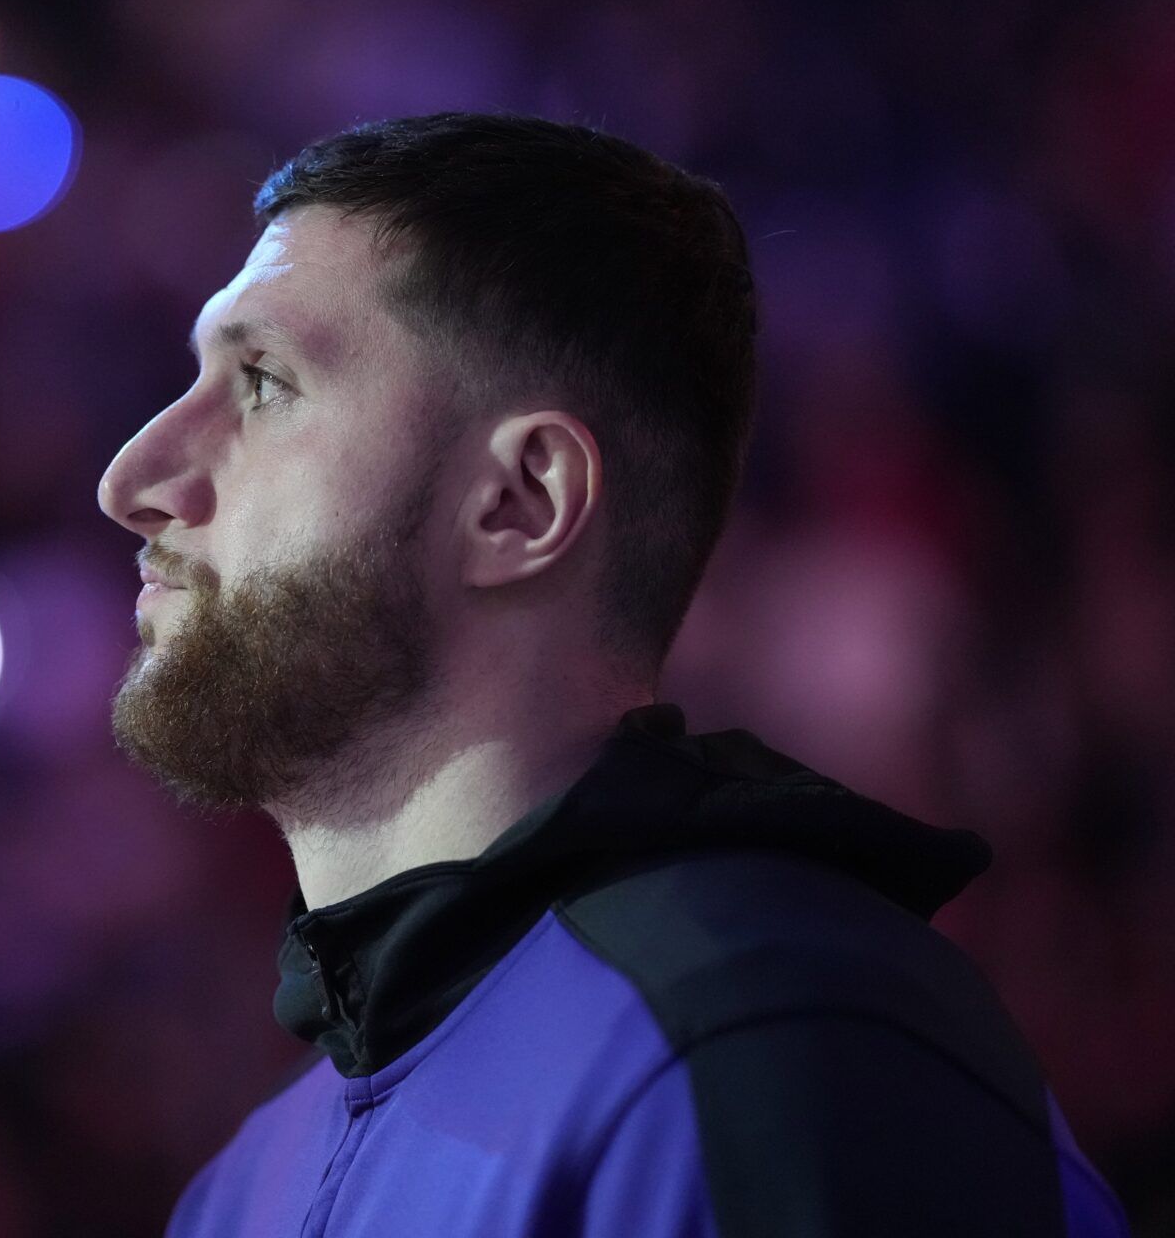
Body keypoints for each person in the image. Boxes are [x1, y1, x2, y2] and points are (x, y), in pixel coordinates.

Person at [96, 112, 1132, 1237]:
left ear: (520, 502)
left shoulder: (777, 1054)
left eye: (263, 383)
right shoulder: (241, 1187)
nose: (132, 475)